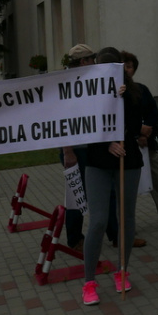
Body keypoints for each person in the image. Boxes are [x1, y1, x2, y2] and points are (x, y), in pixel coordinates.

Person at [81, 48, 142, 305]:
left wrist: (123, 101)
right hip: (97, 163)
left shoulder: (133, 92)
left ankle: (122, 271)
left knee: (126, 219)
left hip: (127, 162)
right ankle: (89, 282)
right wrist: (106, 144)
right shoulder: (87, 93)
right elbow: (83, 129)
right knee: (98, 221)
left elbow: (137, 128)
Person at [121, 50, 158, 229]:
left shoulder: (142, 90)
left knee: (157, 180)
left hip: (148, 145)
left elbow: (153, 113)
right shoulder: (115, 93)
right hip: (127, 147)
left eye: (129, 66)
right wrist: (137, 131)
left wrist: (146, 132)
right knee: (127, 188)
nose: (126, 70)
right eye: (123, 66)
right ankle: (128, 224)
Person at [60, 43, 96, 251]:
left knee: (92, 191)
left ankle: (110, 232)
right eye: (92, 59)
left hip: (88, 147)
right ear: (83, 62)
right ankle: (75, 239)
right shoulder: (65, 84)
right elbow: (60, 120)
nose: (94, 63)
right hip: (75, 150)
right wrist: (68, 151)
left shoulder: (87, 80)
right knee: (76, 194)